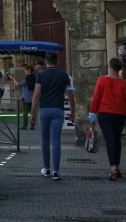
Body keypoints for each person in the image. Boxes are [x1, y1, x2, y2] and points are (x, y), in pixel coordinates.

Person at [89, 57, 126, 180]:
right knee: (116, 140)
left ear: (110, 67)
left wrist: (92, 113)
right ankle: (116, 166)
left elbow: (96, 98)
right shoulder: (124, 83)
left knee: (110, 140)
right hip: (120, 115)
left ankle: (114, 168)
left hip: (105, 114)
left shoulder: (102, 80)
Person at [31, 53, 75, 181]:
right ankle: (56, 171)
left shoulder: (41, 75)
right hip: (58, 109)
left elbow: (36, 95)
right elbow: (70, 95)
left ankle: (46, 168)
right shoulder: (63, 75)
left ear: (46, 62)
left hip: (44, 109)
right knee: (56, 141)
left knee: (45, 140)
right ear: (57, 61)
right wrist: (72, 111)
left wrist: (33, 112)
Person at [9, 65, 37, 130]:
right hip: (32, 97)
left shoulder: (26, 79)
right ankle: (33, 125)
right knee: (32, 112)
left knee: (25, 112)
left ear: (29, 70)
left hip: (26, 97)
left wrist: (13, 78)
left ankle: (25, 125)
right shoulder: (35, 77)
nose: (25, 72)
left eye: (26, 70)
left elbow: (18, 84)